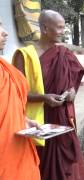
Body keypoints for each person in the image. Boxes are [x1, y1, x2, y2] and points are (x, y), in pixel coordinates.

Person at [12, 10, 84, 180]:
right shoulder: (24, 56)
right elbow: (16, 94)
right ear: (45, 28)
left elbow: (73, 84)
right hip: (37, 121)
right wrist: (44, 97)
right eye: (60, 28)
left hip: (61, 118)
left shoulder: (64, 54)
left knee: (66, 165)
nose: (63, 31)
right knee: (40, 164)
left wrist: (71, 93)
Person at [0, 20, 40, 180]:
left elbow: (8, 106)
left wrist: (23, 120)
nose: (5, 32)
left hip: (16, 145)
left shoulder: (5, 68)